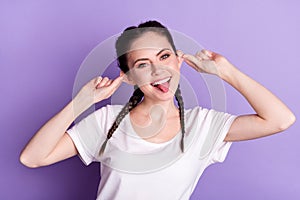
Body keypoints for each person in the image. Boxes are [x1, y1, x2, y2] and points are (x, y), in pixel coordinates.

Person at [20, 20, 296, 199]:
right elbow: (32, 158)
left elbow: (281, 120)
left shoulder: (203, 125)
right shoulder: (107, 122)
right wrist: (81, 102)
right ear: (128, 77)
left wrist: (226, 71)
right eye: (142, 64)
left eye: (164, 57)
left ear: (178, 61)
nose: (158, 70)